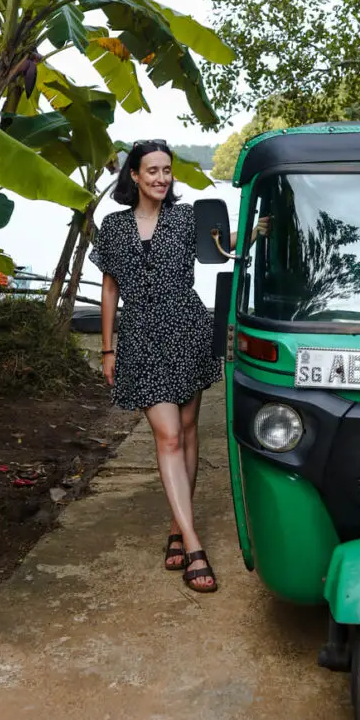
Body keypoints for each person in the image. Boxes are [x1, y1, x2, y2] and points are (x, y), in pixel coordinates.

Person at [91, 140, 267, 594]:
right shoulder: (111, 227)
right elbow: (110, 291)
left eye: (166, 171)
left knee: (188, 431)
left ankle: (176, 523)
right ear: (134, 175)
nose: (161, 178)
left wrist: (252, 229)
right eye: (152, 170)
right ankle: (193, 545)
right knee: (167, 435)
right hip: (141, 338)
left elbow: (220, 248)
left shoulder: (186, 218)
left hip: (187, 328)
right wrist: (108, 349)